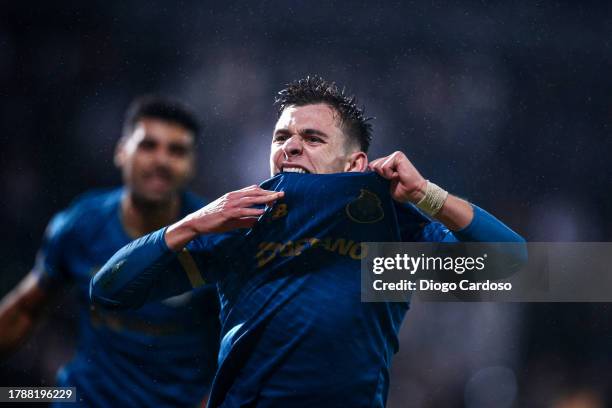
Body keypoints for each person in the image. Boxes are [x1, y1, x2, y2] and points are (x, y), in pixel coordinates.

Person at [91, 77, 526, 407]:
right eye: (282, 137)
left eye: (312, 138)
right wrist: (191, 224)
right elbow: (108, 291)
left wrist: (424, 194)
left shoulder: (391, 229)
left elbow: (509, 263)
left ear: (355, 162)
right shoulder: (239, 224)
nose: (291, 147)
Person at [0, 96, 220, 407]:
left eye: (177, 150)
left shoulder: (215, 238)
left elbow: (243, 343)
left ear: (191, 164)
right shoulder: (80, 225)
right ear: (121, 152)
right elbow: (25, 310)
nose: (161, 160)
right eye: (148, 145)